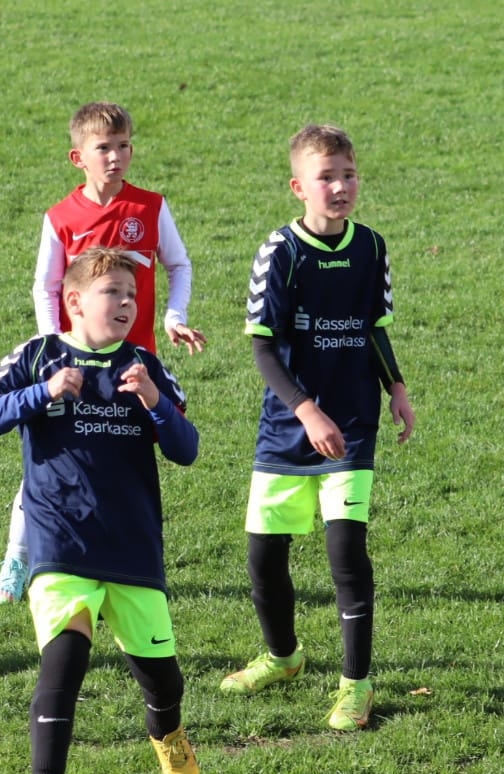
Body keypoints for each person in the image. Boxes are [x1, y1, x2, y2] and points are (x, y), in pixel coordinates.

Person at [0, 247, 201, 774]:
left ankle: (167, 734)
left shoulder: (145, 365)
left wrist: (154, 402)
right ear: (74, 300)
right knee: (64, 662)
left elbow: (187, 449)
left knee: (163, 680)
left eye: (132, 294)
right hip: (60, 542)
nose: (126, 303)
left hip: (132, 546)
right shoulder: (38, 355)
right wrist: (42, 393)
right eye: (112, 293)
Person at [218, 123, 415, 733]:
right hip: (287, 427)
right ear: (298, 187)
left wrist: (396, 386)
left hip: (351, 425)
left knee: (346, 553)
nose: (339, 187)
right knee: (263, 557)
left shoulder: (371, 247)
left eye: (348, 175)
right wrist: (306, 409)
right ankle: (283, 657)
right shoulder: (281, 252)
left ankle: (357, 685)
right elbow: (263, 349)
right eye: (325, 177)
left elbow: (372, 327)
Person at [0, 101, 207, 605]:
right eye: (104, 148)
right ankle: (19, 555)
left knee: (122, 456)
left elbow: (179, 265)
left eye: (124, 146)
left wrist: (173, 317)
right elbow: (45, 286)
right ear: (78, 158)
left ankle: (119, 558)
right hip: (73, 362)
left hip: (133, 363)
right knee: (55, 458)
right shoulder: (61, 217)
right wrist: (52, 346)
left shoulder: (150, 208)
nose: (116, 157)